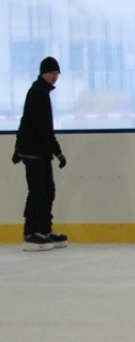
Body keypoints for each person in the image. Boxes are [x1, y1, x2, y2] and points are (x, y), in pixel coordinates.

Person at [11, 56, 68, 252]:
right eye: (52, 73)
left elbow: (27, 121)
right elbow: (39, 126)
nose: (55, 77)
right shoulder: (37, 93)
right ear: (44, 72)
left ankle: (44, 230)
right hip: (33, 151)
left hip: (40, 152)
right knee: (37, 191)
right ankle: (30, 232)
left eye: (57, 74)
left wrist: (18, 148)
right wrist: (58, 151)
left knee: (48, 190)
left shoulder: (41, 92)